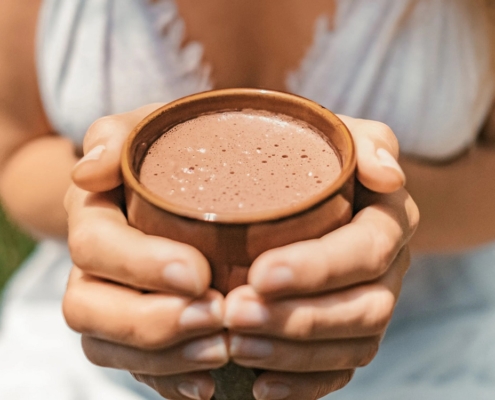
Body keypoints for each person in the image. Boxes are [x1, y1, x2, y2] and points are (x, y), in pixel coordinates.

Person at [0, 1, 493, 400]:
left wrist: (373, 198)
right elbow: (16, 149)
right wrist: (108, 193)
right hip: (101, 336)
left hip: (433, 337)